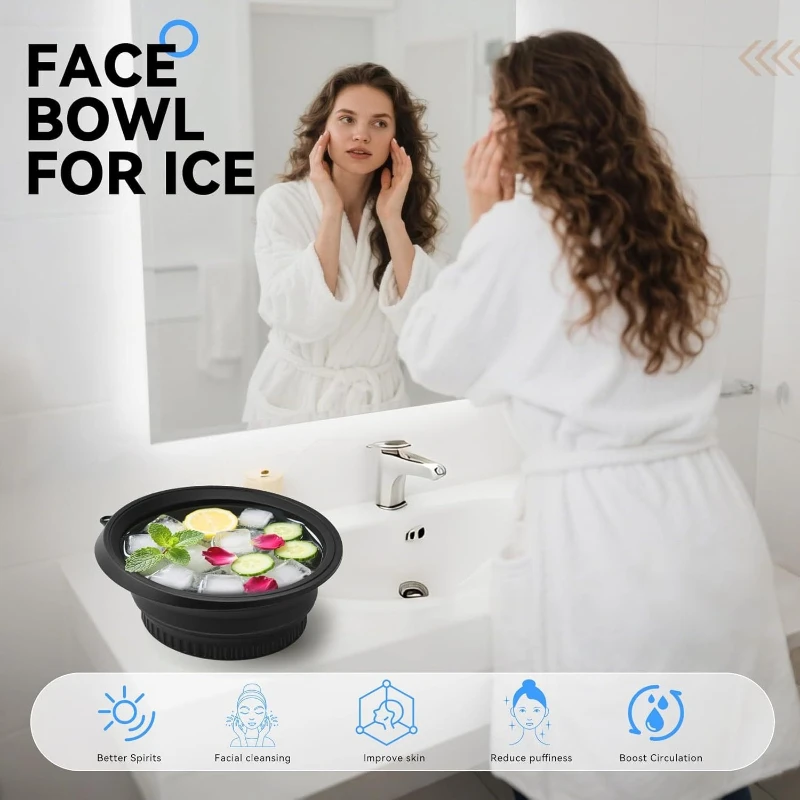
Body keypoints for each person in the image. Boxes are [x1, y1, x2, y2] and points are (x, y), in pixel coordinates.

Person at [396, 31, 800, 800]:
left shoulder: (520, 231)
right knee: (707, 762)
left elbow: (433, 358)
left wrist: (484, 214)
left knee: (614, 769)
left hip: (604, 541)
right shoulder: (668, 232)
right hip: (707, 522)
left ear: (522, 126)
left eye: (497, 114)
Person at [243, 63, 441, 428]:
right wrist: (331, 211)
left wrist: (392, 220)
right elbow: (298, 316)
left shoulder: (403, 215)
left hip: (376, 399)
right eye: (347, 119)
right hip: (297, 397)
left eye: (379, 123)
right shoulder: (282, 203)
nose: (361, 135)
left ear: (397, 141)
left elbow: (424, 322)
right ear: (324, 130)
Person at [230, 683, 275, 748]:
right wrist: (241, 737)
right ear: (237, 715)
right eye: (244, 711)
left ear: (265, 714)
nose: (251, 717)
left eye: (258, 711)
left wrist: (261, 737)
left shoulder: (269, 743)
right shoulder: (235, 743)